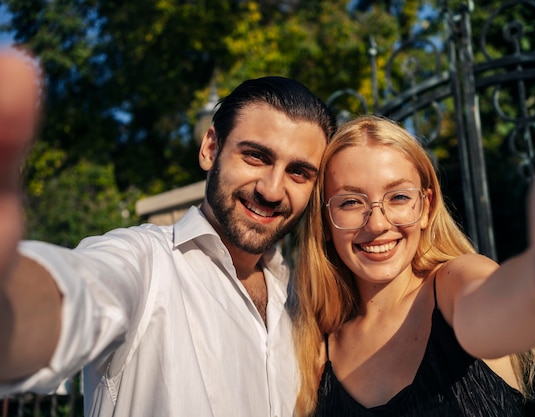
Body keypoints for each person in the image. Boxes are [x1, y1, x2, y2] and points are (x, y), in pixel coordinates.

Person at [291, 35, 535, 417]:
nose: (378, 223)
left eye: (398, 197)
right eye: (351, 202)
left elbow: (498, 308)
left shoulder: (452, 283)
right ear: (325, 218)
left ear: (426, 204)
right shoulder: (315, 347)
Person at [0, 45, 337, 416]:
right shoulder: (145, 263)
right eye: (256, 156)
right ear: (210, 148)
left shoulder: (301, 304)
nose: (272, 190)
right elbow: (79, 294)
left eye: (298, 172)